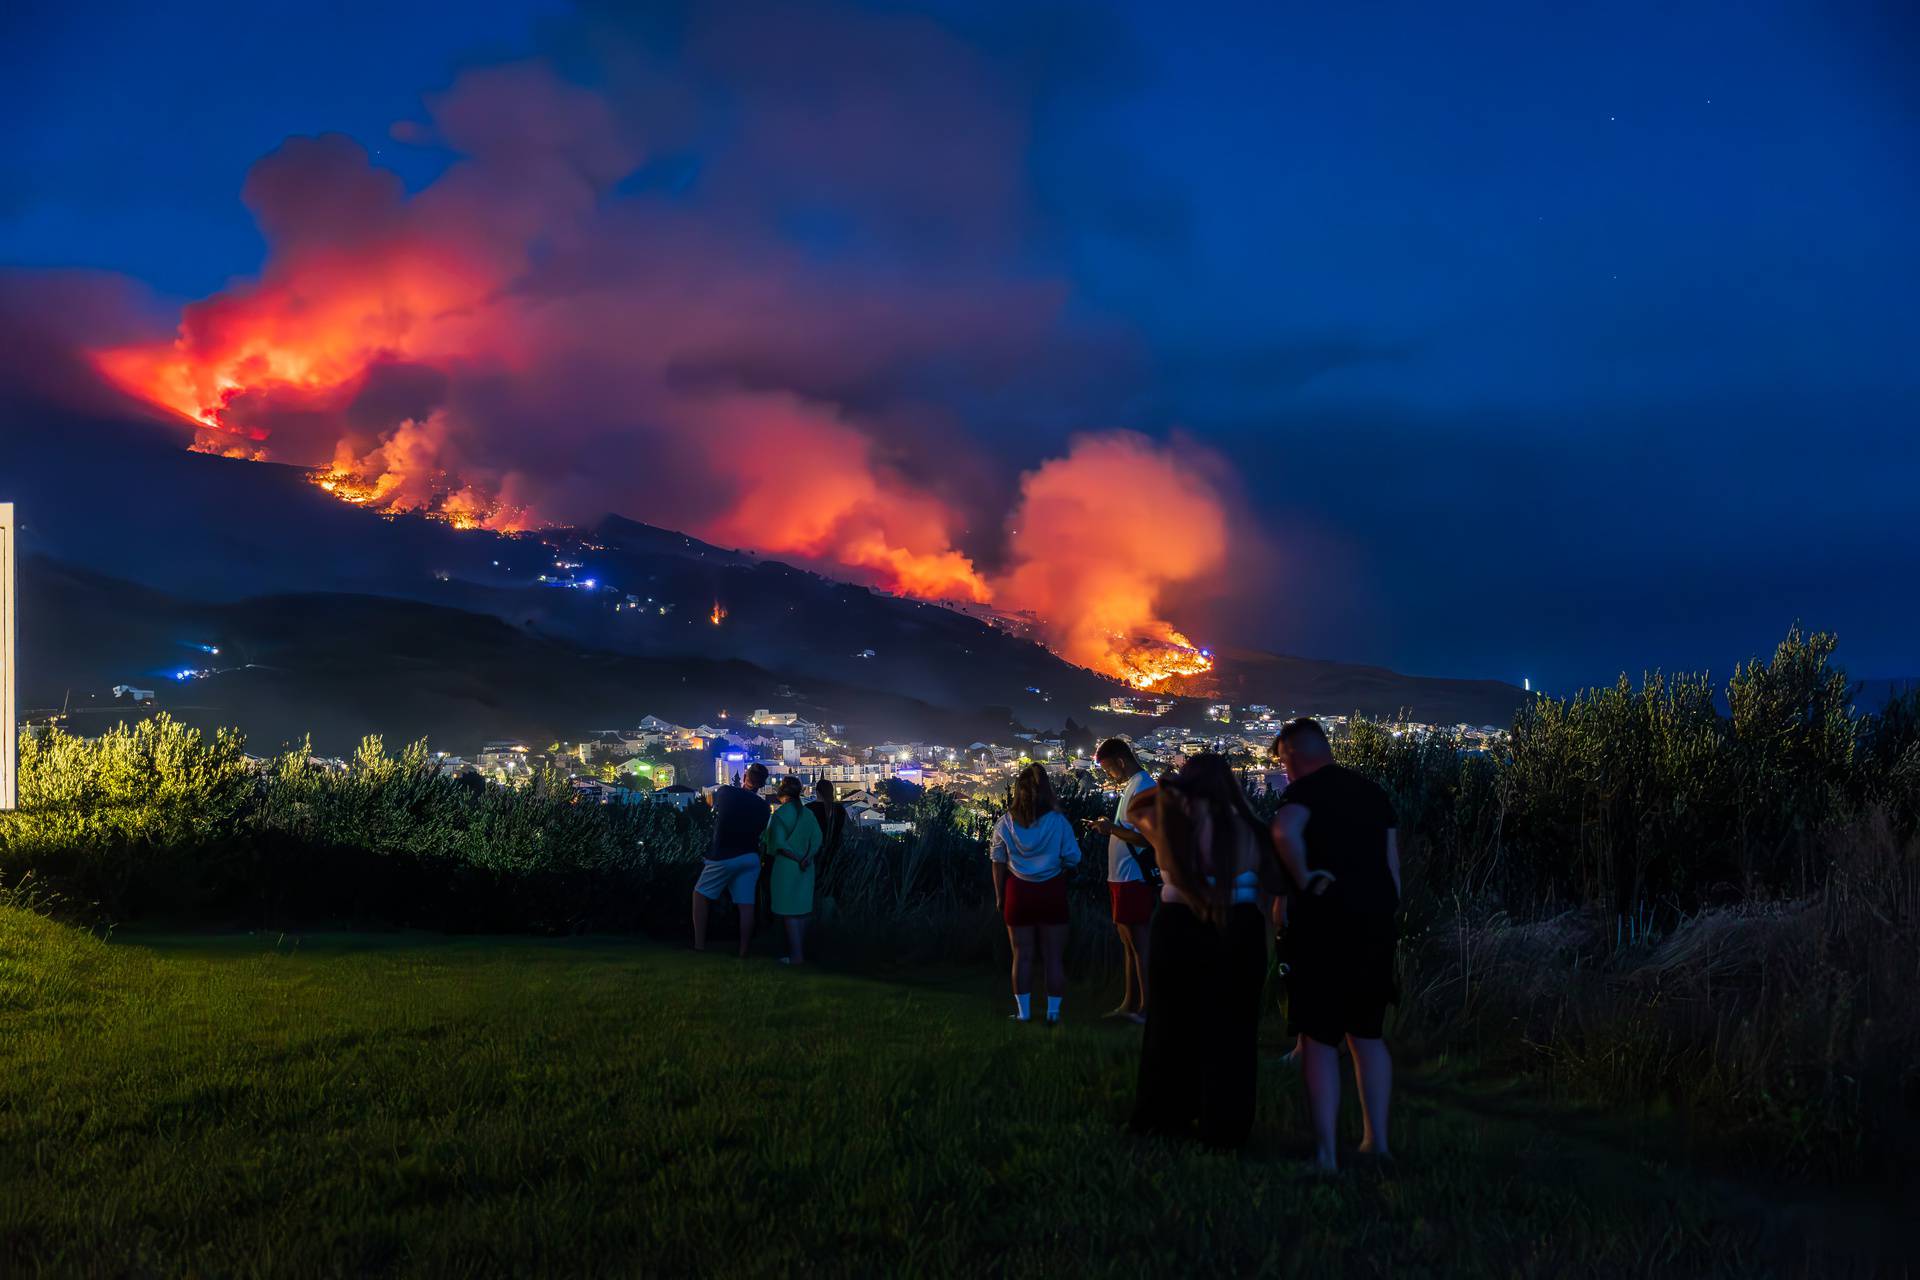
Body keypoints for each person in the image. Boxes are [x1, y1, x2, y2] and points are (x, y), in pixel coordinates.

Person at [1126, 752, 1277, 1149]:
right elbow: (1275, 884)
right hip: (1238, 928)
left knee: (1170, 1024)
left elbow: (1134, 808)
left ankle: (1164, 1116)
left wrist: (1170, 789)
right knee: (1233, 1031)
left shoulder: (1169, 822)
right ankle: (1224, 1126)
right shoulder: (1251, 829)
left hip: (1178, 926)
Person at [1269, 718, 1401, 1171]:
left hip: (1323, 928)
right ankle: (1376, 1143)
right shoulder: (1373, 793)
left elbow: (1284, 831)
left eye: (1284, 762)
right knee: (1368, 1035)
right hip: (1374, 927)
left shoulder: (1304, 792)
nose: (1283, 772)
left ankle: (1325, 1154)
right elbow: (1392, 870)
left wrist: (1304, 878)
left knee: (1320, 1038)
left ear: (1298, 756)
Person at [987, 763, 1080, 1025]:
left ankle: (1024, 1013)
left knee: (1022, 955)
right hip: (1052, 891)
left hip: (1018, 893)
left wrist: (999, 895)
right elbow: (1073, 858)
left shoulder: (1005, 823)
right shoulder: (1058, 822)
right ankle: (1053, 1014)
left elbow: (997, 859)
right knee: (1053, 956)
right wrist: (1058, 867)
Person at [1089, 738, 1157, 1023]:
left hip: (1133, 877)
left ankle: (1146, 1008)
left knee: (1139, 944)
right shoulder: (1132, 785)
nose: (1108, 776)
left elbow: (1147, 837)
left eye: (1108, 770)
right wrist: (1112, 827)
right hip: (1120, 876)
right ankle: (1129, 1004)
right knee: (1128, 943)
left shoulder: (1144, 786)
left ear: (1120, 760)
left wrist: (1111, 829)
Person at [693, 762, 771, 957]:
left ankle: (699, 945)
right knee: (746, 905)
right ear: (762, 784)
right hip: (750, 856)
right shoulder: (764, 808)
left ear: (745, 776)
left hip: (724, 854)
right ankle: (744, 951)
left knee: (700, 895)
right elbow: (761, 831)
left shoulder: (726, 792)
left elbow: (711, 804)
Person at [764, 776, 825, 965]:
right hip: (807, 868)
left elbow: (778, 844)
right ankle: (800, 952)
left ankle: (796, 955)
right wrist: (807, 857)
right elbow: (817, 839)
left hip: (786, 868)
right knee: (802, 910)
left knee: (789, 912)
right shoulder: (808, 814)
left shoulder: (780, 815)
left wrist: (797, 858)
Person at [805, 778, 848, 881]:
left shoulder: (808, 809)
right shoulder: (839, 809)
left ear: (817, 792)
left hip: (814, 855)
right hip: (835, 855)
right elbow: (846, 831)